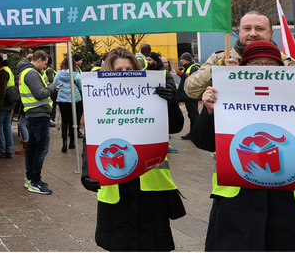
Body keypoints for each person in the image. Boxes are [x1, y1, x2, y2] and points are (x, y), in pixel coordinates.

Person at [191, 40, 295, 250]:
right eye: (255, 64)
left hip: (288, 206)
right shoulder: (224, 95)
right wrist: (209, 112)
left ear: (281, 69)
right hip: (237, 205)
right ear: (244, 68)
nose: (263, 70)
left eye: (270, 65)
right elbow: (202, 142)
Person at [81, 47, 184, 251]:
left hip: (151, 187)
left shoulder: (153, 93)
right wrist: (87, 172)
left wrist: (171, 103)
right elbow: (91, 140)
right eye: (118, 69)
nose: (124, 73)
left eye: (129, 68)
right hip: (115, 185)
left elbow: (176, 127)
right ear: (108, 72)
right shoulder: (99, 101)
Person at [185, 11, 295, 99]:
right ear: (239, 32)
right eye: (247, 28)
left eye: (260, 29)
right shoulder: (220, 59)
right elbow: (191, 90)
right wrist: (216, 70)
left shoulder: (288, 64)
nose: (253, 33)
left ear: (271, 33)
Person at [18, 49, 56, 194]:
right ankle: (34, 181)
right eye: (45, 64)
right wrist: (52, 87)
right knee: (41, 149)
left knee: (32, 148)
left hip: (34, 114)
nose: (45, 67)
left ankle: (31, 179)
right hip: (39, 115)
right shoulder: (32, 73)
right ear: (39, 60)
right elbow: (40, 94)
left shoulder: (25, 72)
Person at [55, 56, 83, 153]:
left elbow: (54, 84)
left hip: (62, 101)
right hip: (75, 100)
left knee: (64, 121)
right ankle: (72, 142)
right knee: (73, 121)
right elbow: (81, 86)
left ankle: (64, 143)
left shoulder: (58, 74)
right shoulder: (76, 74)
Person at [0, 54, 16, 159]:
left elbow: (1, 90)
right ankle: (9, 150)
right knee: (7, 127)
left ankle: (1, 149)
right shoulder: (8, 69)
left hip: (3, 104)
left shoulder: (2, 72)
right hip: (9, 103)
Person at [176, 53, 200, 140]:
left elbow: (192, 80)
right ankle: (192, 132)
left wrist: (181, 74)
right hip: (187, 96)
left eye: (183, 59)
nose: (181, 60)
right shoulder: (187, 68)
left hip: (192, 96)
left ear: (188, 60)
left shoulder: (194, 68)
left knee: (194, 116)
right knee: (191, 115)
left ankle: (197, 134)